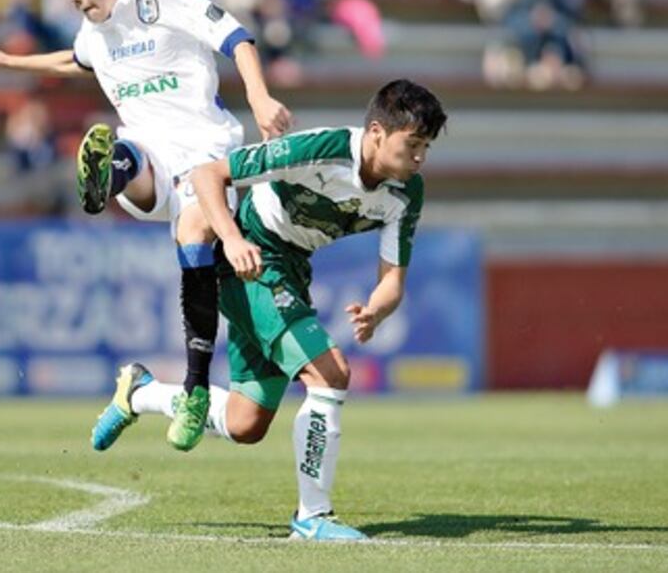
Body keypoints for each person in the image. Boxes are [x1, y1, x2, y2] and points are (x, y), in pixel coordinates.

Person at [0, 0, 292, 452]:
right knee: (143, 165)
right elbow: (74, 59)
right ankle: (110, 169)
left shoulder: (161, 2)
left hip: (209, 156)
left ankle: (158, 388)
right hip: (154, 162)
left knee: (197, 236)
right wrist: (7, 62)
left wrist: (261, 98)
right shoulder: (94, 32)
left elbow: (237, 36)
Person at [91, 79, 446, 540]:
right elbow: (207, 175)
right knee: (331, 374)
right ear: (377, 131)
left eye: (426, 148)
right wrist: (233, 240)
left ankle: (140, 392)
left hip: (290, 271)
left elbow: (392, 280)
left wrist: (376, 311)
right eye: (412, 145)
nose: (419, 158)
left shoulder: (405, 193)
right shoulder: (322, 148)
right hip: (251, 257)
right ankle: (313, 517)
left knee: (245, 423)